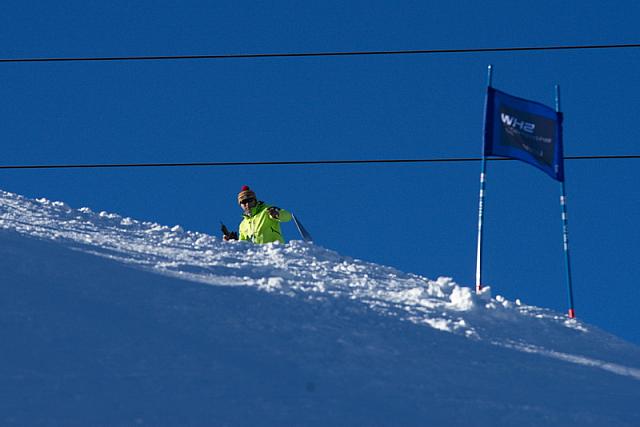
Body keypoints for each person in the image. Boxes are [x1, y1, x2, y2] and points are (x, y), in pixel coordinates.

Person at [223, 185, 292, 244]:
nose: (247, 204)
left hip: (274, 251)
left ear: (255, 200)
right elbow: (244, 245)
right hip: (257, 255)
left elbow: (288, 216)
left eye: (250, 200)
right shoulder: (242, 225)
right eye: (243, 202)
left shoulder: (266, 211)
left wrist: (278, 214)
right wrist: (233, 242)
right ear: (240, 205)